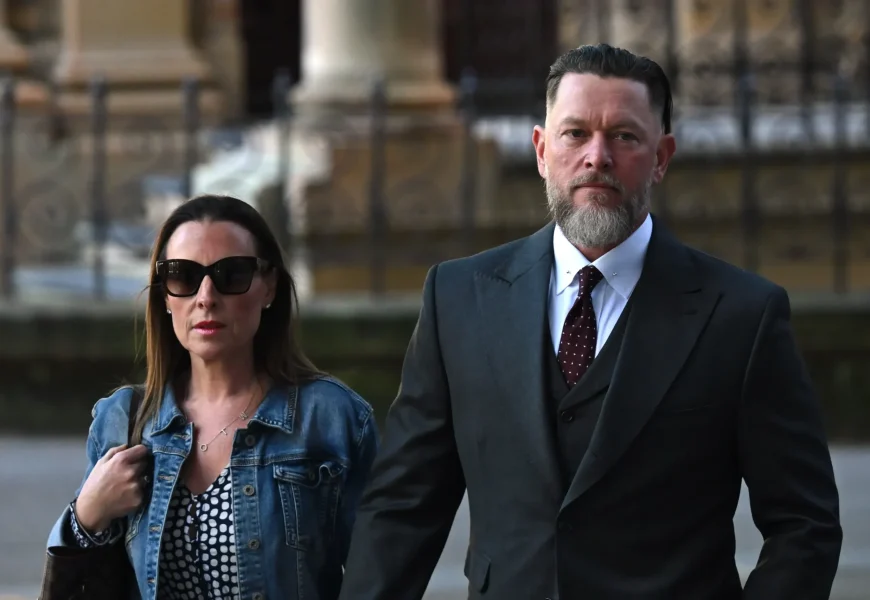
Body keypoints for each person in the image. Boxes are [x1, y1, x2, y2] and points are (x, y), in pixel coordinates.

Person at [338, 44, 842, 600]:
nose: (597, 157)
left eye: (624, 136)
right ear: (541, 150)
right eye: (575, 133)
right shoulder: (457, 298)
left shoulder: (742, 315)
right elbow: (403, 508)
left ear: (662, 157)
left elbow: (804, 524)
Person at [46, 194, 379, 600]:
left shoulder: (332, 419)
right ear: (165, 296)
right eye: (183, 276)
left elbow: (378, 579)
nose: (205, 296)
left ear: (269, 287)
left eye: (231, 274)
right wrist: (86, 515)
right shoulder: (122, 420)